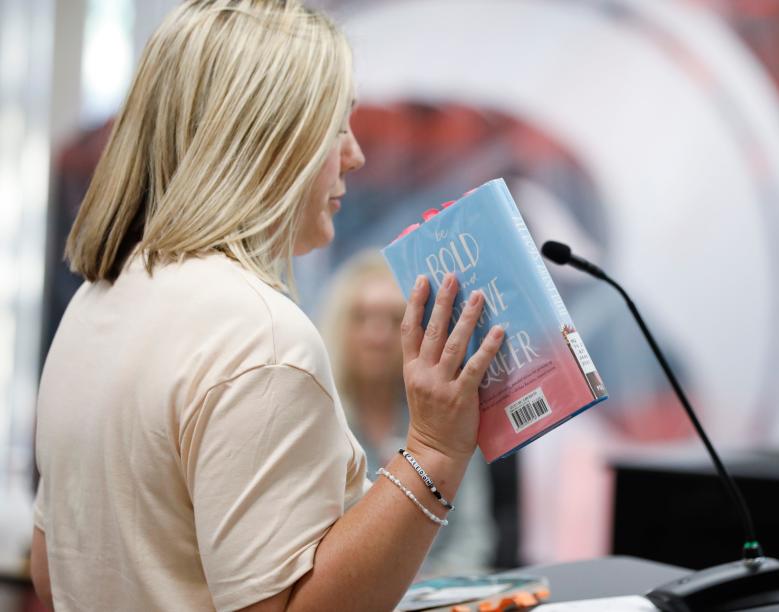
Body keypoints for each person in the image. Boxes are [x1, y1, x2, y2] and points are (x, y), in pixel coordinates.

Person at [30, 2, 504, 611]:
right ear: (271, 139)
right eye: (338, 126)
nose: (355, 155)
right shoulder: (261, 337)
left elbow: (54, 570)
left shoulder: (97, 305)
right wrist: (435, 449)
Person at [319, 250, 496, 576]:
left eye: (393, 320)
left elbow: (472, 539)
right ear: (339, 325)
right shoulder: (319, 425)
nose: (376, 336)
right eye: (361, 317)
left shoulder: (446, 414)